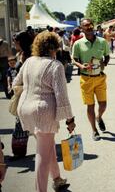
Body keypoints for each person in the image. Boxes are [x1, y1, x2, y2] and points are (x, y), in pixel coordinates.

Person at [12, 31, 76, 192]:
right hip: (43, 112)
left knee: (45, 146)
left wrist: (31, 91)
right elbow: (62, 96)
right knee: (42, 155)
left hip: (25, 109)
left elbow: (15, 83)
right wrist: (70, 119)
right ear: (54, 48)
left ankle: (57, 179)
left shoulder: (29, 61)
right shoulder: (55, 66)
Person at [72, 18, 110, 141]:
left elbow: (107, 56)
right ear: (81, 28)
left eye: (90, 25)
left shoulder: (102, 41)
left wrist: (105, 62)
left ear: (93, 26)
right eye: (85, 26)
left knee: (103, 104)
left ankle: (99, 117)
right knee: (90, 106)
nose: (88, 27)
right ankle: (94, 130)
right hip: (86, 79)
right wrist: (81, 66)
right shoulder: (78, 44)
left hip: (100, 77)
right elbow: (74, 60)